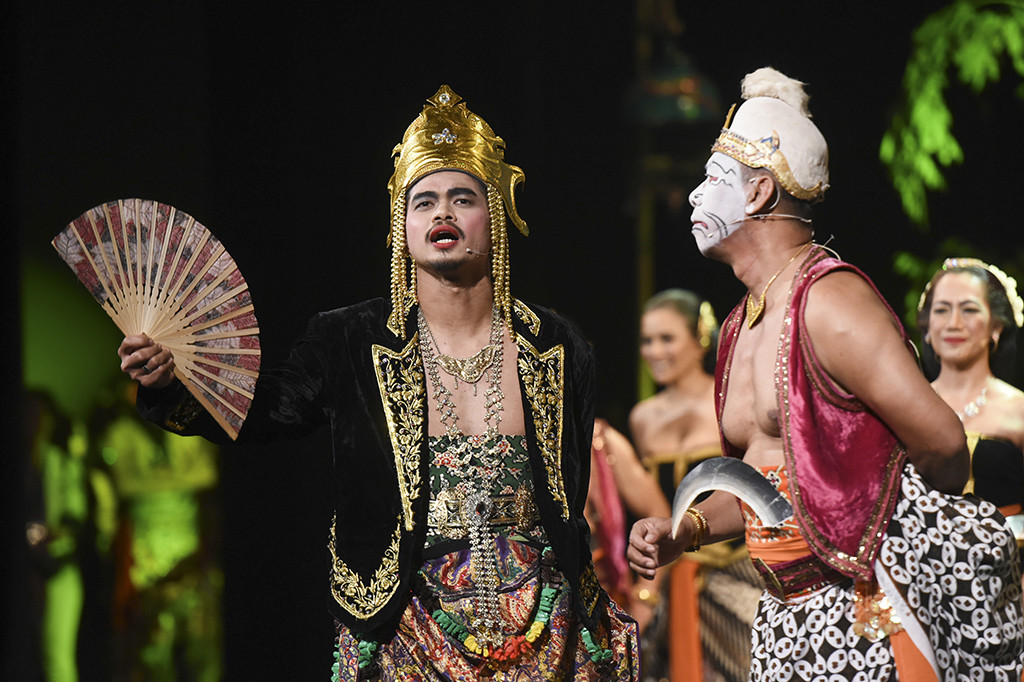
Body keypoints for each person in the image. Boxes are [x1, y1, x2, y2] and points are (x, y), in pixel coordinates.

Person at [117, 85, 639, 680]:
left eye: (463, 198)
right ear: (402, 225)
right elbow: (258, 413)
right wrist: (168, 385)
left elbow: (571, 492)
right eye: (424, 201)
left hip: (546, 626)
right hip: (404, 626)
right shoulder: (348, 340)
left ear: (496, 215)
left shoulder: (558, 345)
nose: (442, 213)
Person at [627, 66, 1024, 680]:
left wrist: (872, 529)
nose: (695, 197)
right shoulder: (738, 325)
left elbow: (944, 445)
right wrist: (690, 530)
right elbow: (764, 485)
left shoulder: (830, 302)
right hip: (781, 618)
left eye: (713, 179)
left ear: (759, 193)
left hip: (867, 613)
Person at [630, 289, 758, 682]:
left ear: (700, 338)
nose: (655, 351)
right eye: (647, 340)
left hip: (739, 575)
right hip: (673, 578)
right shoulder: (643, 418)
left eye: (667, 338)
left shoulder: (731, 403)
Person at [918, 258, 1024, 555]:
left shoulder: (1018, 410)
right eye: (942, 310)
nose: (953, 323)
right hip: (919, 573)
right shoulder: (906, 409)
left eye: (969, 309)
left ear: (996, 326)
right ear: (928, 327)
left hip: (1008, 573)